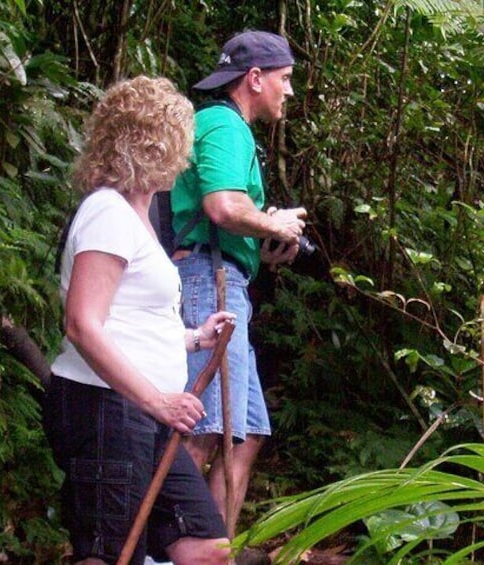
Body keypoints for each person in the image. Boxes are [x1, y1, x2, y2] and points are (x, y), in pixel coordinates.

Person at [43, 76, 235, 565]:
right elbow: (83, 324)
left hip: (143, 413)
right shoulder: (107, 212)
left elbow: (130, 317)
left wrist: (193, 339)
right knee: (108, 554)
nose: (186, 158)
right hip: (107, 407)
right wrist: (158, 401)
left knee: (207, 550)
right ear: (158, 147)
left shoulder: (138, 219)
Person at [169, 30, 307, 536]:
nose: (288, 91)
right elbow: (222, 207)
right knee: (203, 431)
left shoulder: (228, 129)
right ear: (254, 79)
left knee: (243, 434)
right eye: (284, 79)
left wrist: (263, 245)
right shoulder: (224, 124)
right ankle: (165, 551)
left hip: (226, 275)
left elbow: (227, 215)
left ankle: (213, 549)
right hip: (209, 280)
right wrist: (274, 223)